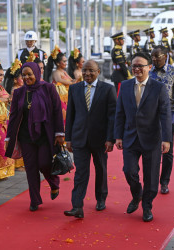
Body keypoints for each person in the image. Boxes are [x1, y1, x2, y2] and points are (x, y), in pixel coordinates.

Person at [114, 52, 172, 222]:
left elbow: (165, 114)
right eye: (134, 66)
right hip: (130, 137)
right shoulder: (124, 86)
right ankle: (137, 193)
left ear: (149, 67)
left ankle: (147, 206)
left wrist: (166, 139)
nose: (137, 69)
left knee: (151, 177)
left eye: (140, 66)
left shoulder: (159, 87)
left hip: (152, 138)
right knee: (129, 171)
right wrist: (118, 136)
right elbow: (120, 113)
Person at [5, 62, 64, 212]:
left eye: (29, 74)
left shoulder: (48, 88)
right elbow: (13, 116)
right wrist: (8, 137)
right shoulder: (19, 92)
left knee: (44, 163)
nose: (26, 77)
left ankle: (53, 183)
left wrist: (59, 133)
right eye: (23, 75)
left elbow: (57, 110)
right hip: (26, 136)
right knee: (30, 167)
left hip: (45, 134)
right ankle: (34, 200)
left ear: (37, 73)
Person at [64, 60, 117, 218]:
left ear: (98, 71)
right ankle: (77, 206)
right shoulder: (74, 88)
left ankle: (101, 198)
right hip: (79, 138)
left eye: (91, 71)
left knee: (100, 168)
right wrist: (68, 138)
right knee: (81, 172)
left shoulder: (108, 89)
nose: (87, 73)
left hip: (100, 139)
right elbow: (71, 115)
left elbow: (112, 117)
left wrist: (110, 139)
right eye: (85, 70)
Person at [149, 46, 174, 194]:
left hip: (168, 115)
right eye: (152, 57)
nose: (154, 59)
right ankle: (151, 181)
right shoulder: (149, 72)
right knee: (152, 150)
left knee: (167, 151)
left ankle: (164, 182)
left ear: (166, 56)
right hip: (151, 116)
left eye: (157, 56)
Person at [4, 59, 25, 172]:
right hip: (16, 117)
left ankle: (21, 162)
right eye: (22, 77)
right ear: (15, 80)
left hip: (19, 116)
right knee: (17, 139)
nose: (24, 79)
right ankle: (17, 164)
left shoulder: (20, 88)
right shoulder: (15, 90)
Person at [44, 45, 73, 123]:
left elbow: (72, 81)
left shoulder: (64, 72)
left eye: (66, 61)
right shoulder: (56, 73)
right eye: (64, 61)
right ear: (57, 63)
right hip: (60, 100)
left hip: (67, 98)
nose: (66, 63)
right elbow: (61, 81)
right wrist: (74, 82)